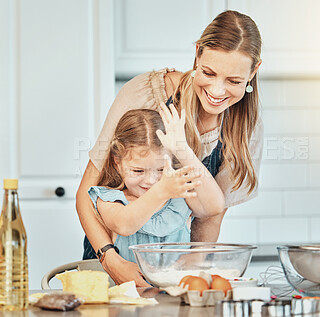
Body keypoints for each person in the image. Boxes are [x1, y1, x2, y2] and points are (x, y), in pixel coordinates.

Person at [76, 10, 263, 286]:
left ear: (254, 71)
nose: (217, 90)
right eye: (208, 72)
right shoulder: (145, 94)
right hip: (112, 263)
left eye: (234, 81)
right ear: (197, 53)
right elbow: (85, 195)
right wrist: (111, 260)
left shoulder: (244, 125)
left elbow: (211, 213)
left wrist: (189, 275)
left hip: (170, 274)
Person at [86, 108, 223, 272]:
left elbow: (215, 206)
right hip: (127, 296)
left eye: (160, 170)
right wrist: (161, 192)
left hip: (176, 294)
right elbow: (124, 225)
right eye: (138, 171)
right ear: (118, 163)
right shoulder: (110, 199)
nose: (151, 181)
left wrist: (182, 150)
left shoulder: (178, 197)